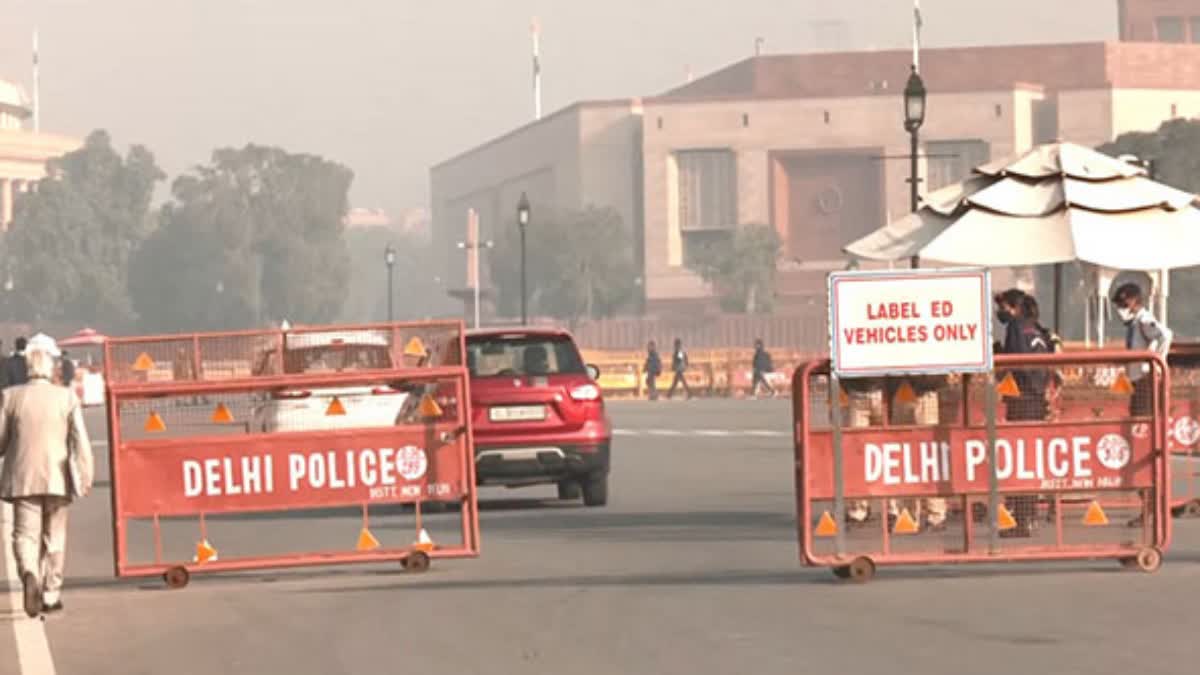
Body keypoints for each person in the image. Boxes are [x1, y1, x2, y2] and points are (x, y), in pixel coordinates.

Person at [0, 336, 94, 617]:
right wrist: (86, 474)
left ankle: (29, 572)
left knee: (24, 535)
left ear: (27, 367)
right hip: (58, 476)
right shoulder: (65, 397)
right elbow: (81, 441)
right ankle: (51, 594)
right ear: (52, 367)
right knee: (55, 538)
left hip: (22, 476)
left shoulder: (11, 397)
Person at [994, 289, 1050, 538]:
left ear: (1014, 308)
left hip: (1022, 400)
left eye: (1004, 307)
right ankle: (1029, 515)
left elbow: (1015, 362)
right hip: (1037, 401)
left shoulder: (1016, 327)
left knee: (1020, 460)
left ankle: (1022, 518)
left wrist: (998, 355)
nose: (1001, 313)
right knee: (1031, 458)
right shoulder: (1037, 328)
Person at [1111, 282, 1172, 417]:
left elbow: (1166, 335)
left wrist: (1157, 365)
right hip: (1137, 381)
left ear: (1132, 302)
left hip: (1144, 379)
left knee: (1143, 418)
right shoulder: (1134, 323)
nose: (1120, 309)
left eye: (1122, 305)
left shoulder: (1144, 319)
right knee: (1137, 416)